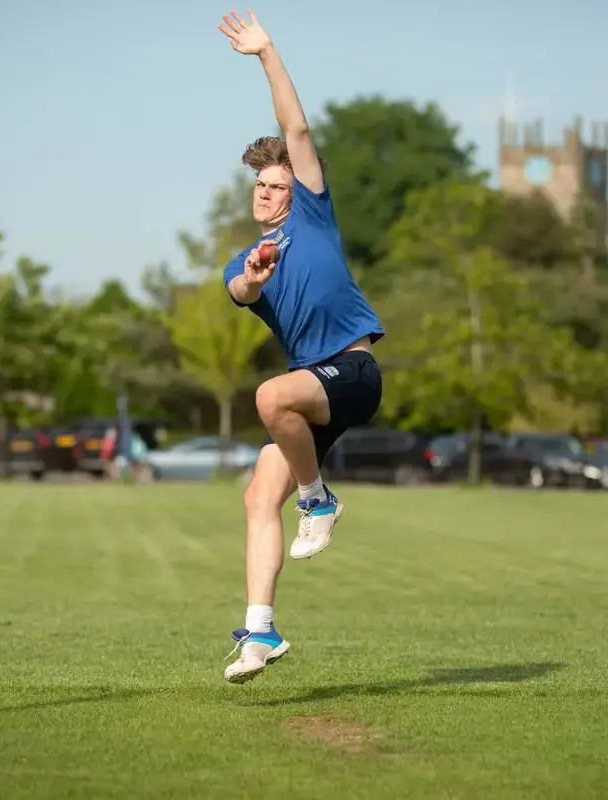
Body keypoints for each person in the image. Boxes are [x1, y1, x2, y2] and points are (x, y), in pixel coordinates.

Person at [216, 10, 385, 684]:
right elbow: (239, 292)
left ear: (297, 189)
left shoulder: (312, 209)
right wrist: (252, 280)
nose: (265, 192)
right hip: (312, 395)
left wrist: (266, 54)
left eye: (276, 184)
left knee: (269, 394)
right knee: (259, 497)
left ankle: (318, 501)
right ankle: (260, 634)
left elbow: (296, 128)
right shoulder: (244, 256)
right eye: (259, 185)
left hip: (351, 371)